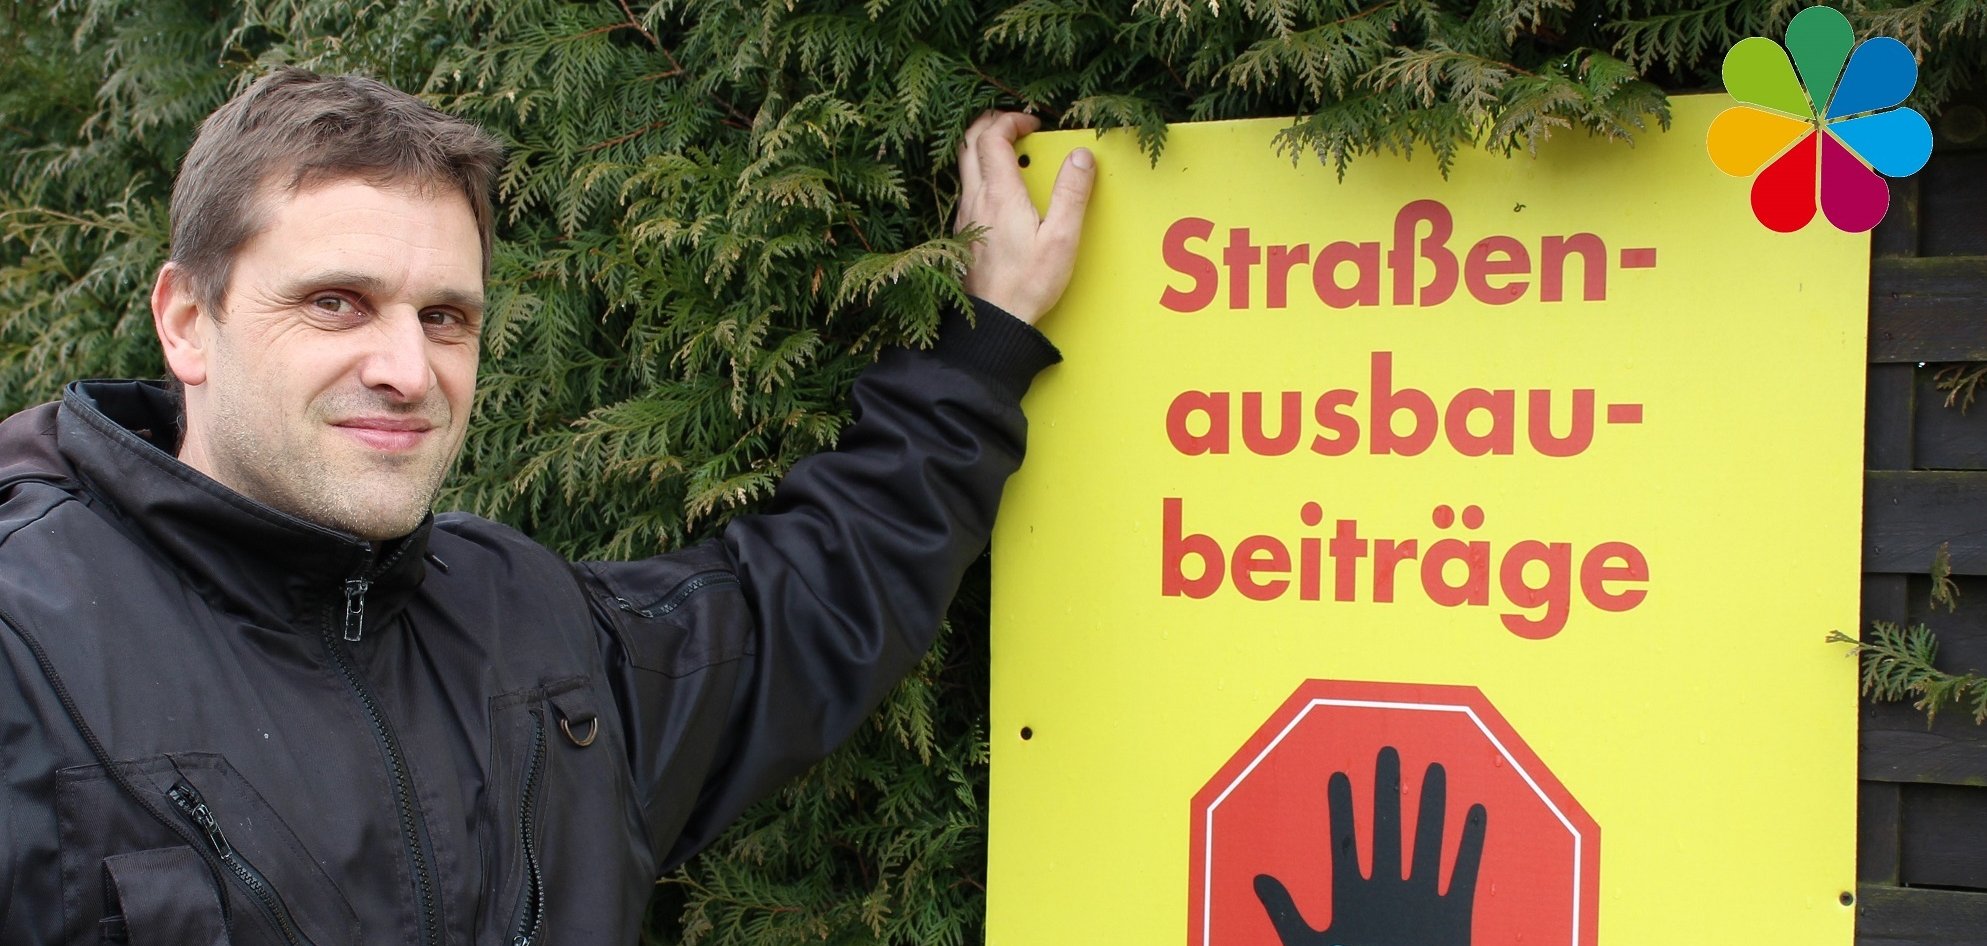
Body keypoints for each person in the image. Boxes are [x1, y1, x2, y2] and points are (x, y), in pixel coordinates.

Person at [0, 68, 1093, 944]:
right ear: (187, 320)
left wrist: (977, 349)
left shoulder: (526, 624)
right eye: (337, 303)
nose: (406, 368)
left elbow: (800, 608)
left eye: (445, 317)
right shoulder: (26, 647)